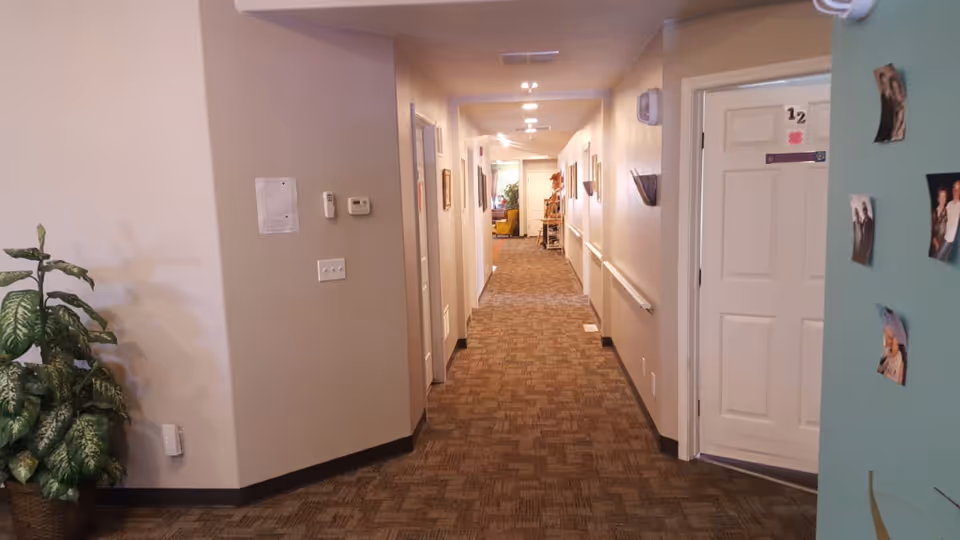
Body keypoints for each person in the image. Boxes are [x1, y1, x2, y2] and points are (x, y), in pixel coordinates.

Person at [938, 180, 960, 261]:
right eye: (954, 188)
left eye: (958, 189)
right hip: (946, 238)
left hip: (954, 243)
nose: (955, 191)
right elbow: (942, 217)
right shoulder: (949, 204)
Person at [874, 70, 895, 143]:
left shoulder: (893, 96)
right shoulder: (883, 97)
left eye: (885, 82)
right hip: (885, 128)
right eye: (883, 83)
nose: (885, 84)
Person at [930, 188, 949, 258]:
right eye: (941, 197)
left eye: (944, 197)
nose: (942, 199)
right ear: (938, 199)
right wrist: (934, 241)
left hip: (945, 246)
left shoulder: (948, 212)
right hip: (935, 247)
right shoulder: (933, 213)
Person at [889, 76, 907, 141]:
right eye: (894, 88)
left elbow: (902, 120)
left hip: (901, 130)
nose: (897, 90)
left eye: (897, 87)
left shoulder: (904, 99)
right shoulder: (893, 101)